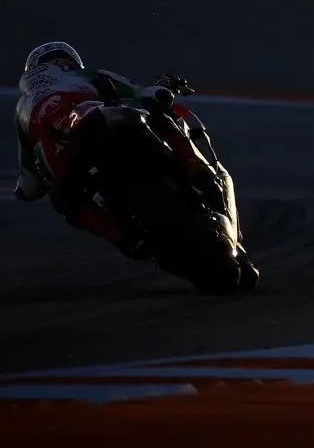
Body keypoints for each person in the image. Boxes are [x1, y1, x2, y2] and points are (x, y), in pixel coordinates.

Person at [13, 41, 257, 288]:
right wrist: (163, 87)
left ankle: (123, 237)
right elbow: (147, 94)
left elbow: (29, 186)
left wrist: (33, 186)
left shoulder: (23, 108)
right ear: (69, 63)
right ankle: (199, 172)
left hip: (74, 163)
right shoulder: (88, 74)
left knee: (64, 200)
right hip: (111, 132)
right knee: (160, 114)